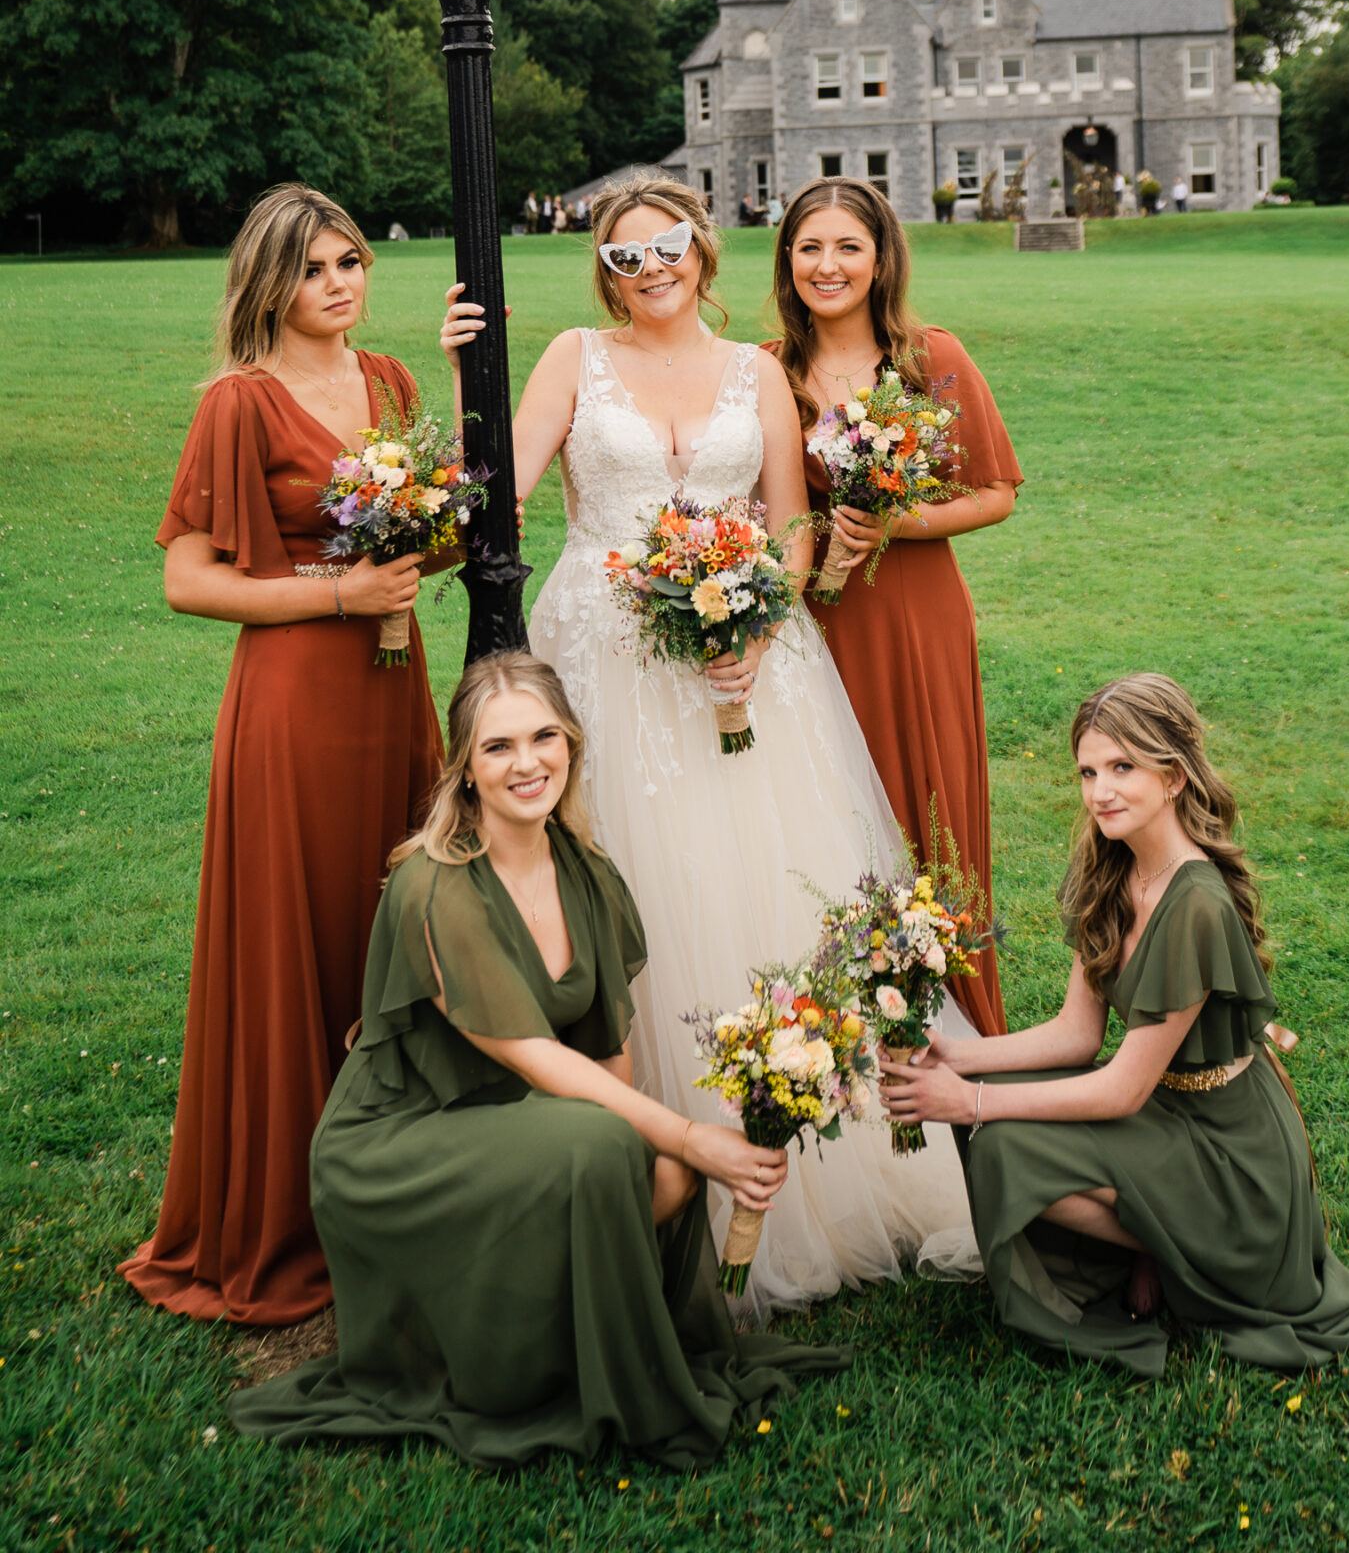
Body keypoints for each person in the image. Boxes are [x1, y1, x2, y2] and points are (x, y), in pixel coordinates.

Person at [440, 176, 978, 1314]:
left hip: (750, 664)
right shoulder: (573, 358)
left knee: (773, 876)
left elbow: (788, 525)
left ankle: (817, 1150)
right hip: (604, 651)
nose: (652, 270)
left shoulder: (756, 377)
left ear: (703, 252)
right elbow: (502, 498)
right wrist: (463, 382)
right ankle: (651, 1148)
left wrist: (751, 622)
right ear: (605, 273)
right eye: (627, 257)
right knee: (640, 873)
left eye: (669, 247)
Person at [229, 651, 846, 1468]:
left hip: (517, 1121)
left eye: (543, 737)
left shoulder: (589, 874)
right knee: (612, 1150)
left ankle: (567, 1343)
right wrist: (690, 1137)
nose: (526, 763)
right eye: (497, 747)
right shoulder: (434, 886)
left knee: (653, 1172)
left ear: (572, 746)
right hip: (406, 1137)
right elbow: (533, 1057)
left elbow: (607, 1054)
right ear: (466, 769)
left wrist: (662, 1154)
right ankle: (527, 1366)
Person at [121, 185, 443, 1327]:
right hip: (297, 703)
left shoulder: (393, 382)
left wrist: (420, 554)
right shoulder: (239, 405)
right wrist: (338, 592)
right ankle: (285, 1211)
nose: (340, 283)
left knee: (400, 920)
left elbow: (423, 525)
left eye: (350, 259)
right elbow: (188, 577)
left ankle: (398, 1184)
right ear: (271, 283)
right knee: (299, 936)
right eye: (314, 269)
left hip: (397, 691)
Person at [882, 674, 1349, 1375]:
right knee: (993, 1126)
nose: (1099, 791)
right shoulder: (1110, 872)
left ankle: (1171, 1246)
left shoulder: (1195, 904)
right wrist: (959, 1056)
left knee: (999, 1140)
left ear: (1172, 778)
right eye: (1087, 771)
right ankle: (1148, 1242)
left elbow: (1119, 1091)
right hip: (1168, 1108)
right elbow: (1075, 1036)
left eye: (1122, 769)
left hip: (1230, 1154)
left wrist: (972, 1100)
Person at [768, 179, 1020, 1033]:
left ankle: (954, 1019)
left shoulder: (929, 359)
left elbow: (995, 492)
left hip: (915, 620)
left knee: (926, 805)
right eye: (809, 247)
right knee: (826, 811)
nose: (827, 266)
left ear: (880, 259)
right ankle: (838, 1019)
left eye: (847, 248)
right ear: (787, 259)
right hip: (817, 626)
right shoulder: (767, 370)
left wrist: (899, 522)